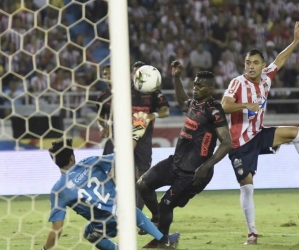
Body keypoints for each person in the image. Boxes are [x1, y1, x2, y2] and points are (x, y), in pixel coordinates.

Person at [40, 112, 180, 250]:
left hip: (104, 226)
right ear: (72, 157)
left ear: (55, 162)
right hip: (124, 216)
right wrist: (137, 131)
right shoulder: (88, 163)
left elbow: (57, 229)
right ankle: (164, 240)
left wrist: (44, 249)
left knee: (89, 233)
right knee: (129, 208)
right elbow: (123, 155)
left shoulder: (58, 190)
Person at [137, 61, 232, 248]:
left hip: (194, 172)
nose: (195, 88)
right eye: (195, 84)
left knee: (167, 204)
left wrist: (205, 166)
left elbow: (227, 143)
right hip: (175, 163)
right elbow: (182, 102)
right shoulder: (195, 103)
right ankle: (157, 218)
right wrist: (176, 77)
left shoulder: (214, 110)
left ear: (211, 89)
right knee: (142, 185)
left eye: (200, 85)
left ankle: (162, 241)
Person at [221, 22, 299, 245]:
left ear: (262, 65)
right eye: (248, 62)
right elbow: (224, 105)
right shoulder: (237, 83)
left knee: (296, 133)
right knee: (247, 186)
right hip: (239, 143)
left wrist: (295, 41)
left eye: (255, 63)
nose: (251, 66)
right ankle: (252, 232)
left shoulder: (266, 77)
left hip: (259, 134)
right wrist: (246, 105)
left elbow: (280, 60)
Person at [96, 61, 170, 215]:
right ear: (131, 74)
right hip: (121, 135)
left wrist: (151, 115)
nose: (138, 76)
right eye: (135, 73)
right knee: (113, 172)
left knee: (142, 177)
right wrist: (107, 125)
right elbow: (110, 110)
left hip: (143, 138)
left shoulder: (153, 91)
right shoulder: (123, 90)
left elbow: (165, 111)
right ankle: (115, 210)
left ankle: (139, 214)